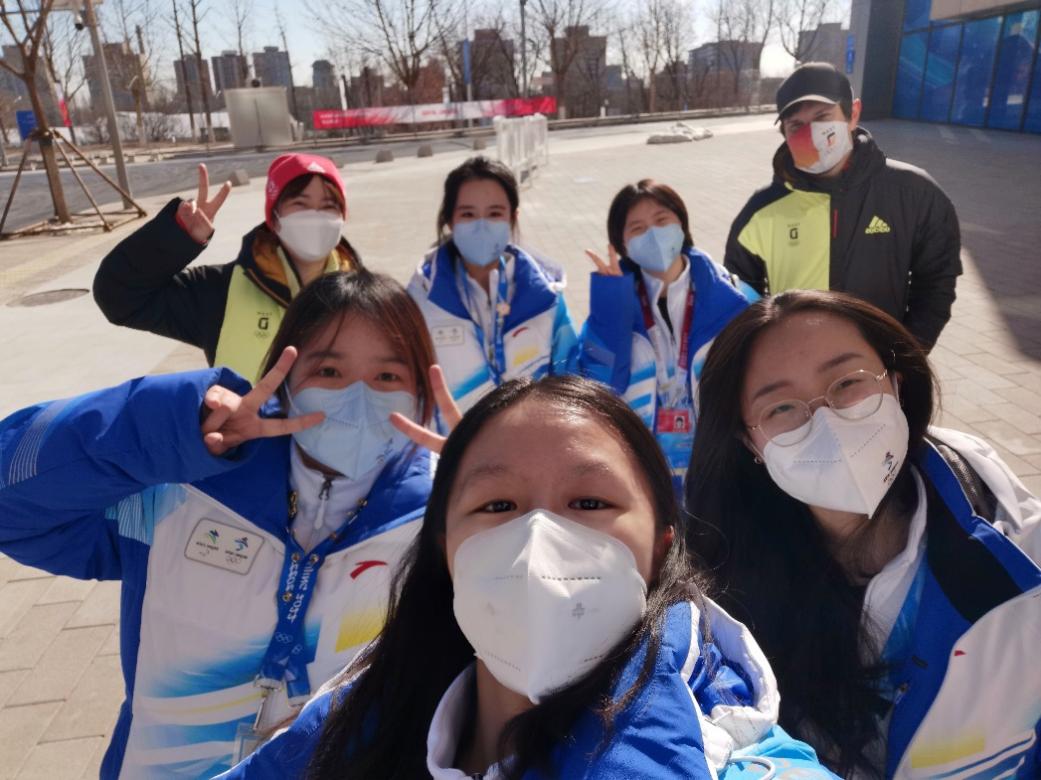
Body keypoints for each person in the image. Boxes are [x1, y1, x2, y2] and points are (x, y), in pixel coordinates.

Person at [220, 375, 839, 780]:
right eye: (497, 505)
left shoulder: (730, 756)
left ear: (660, 546)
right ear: (446, 549)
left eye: (590, 503)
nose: (539, 537)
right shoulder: (345, 729)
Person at [0, 271, 437, 778]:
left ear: (420, 391)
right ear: (284, 382)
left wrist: (494, 490)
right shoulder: (179, 492)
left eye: (387, 377)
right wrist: (172, 426)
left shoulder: (443, 523)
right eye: (329, 371)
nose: (358, 399)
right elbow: (13, 505)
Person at [686, 290, 1041, 778]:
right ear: (751, 442)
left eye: (848, 382)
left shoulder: (1019, 557)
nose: (827, 422)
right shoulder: (719, 592)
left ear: (896, 383)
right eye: (782, 408)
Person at [724, 62, 962, 352]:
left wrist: (907, 356)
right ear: (784, 132)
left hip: (880, 364)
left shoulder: (914, 194)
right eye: (796, 125)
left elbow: (936, 282)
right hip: (797, 367)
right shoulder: (761, 212)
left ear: (853, 114)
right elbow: (738, 299)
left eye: (822, 117)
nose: (810, 133)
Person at [93, 153, 363, 381]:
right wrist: (177, 237)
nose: (315, 216)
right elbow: (118, 296)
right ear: (274, 217)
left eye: (328, 206)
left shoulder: (366, 298)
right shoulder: (219, 290)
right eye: (300, 204)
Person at [580, 180, 757, 489]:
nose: (653, 234)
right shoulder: (611, 306)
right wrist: (611, 306)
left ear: (681, 224)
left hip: (721, 469)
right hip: (641, 471)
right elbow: (599, 387)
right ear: (622, 244)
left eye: (661, 221)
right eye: (637, 228)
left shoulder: (733, 297)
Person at [407, 156, 578, 417]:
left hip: (531, 439)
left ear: (513, 218)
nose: (482, 226)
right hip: (453, 441)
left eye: (495, 214)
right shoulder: (420, 299)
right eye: (468, 214)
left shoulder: (546, 298)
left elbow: (571, 378)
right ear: (450, 221)